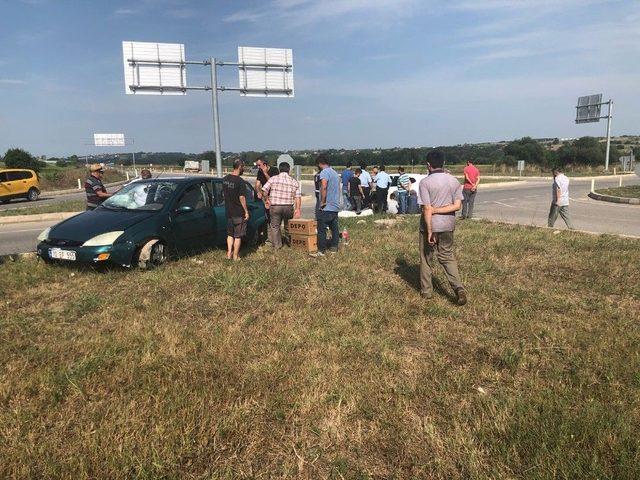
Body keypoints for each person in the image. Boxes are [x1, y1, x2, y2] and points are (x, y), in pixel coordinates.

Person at [419, 150, 467, 306]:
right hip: (448, 224)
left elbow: (427, 209)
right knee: (447, 256)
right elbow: (457, 206)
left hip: (430, 224)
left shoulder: (425, 183)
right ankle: (458, 288)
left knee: (426, 257)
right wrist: (440, 209)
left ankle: (427, 291)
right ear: (443, 163)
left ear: (428, 165)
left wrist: (430, 230)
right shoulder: (453, 181)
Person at [262, 162, 302, 249]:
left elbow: (264, 190)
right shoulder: (294, 181)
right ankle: (291, 243)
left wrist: (267, 200)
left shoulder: (273, 179)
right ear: (289, 170)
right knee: (289, 226)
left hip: (275, 206)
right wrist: (298, 209)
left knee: (275, 226)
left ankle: (277, 246)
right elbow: (298, 197)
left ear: (279, 169)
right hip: (288, 206)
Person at [312, 155, 341, 257]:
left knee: (321, 229)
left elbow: (324, 187)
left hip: (326, 207)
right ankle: (334, 247)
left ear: (320, 164)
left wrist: (322, 202)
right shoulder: (334, 172)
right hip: (335, 206)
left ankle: (321, 251)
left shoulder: (324, 172)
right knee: (334, 228)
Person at [222, 159, 250, 260]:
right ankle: (235, 256)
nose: (244, 169)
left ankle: (229, 253)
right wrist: (246, 211)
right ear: (239, 167)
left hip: (228, 211)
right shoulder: (240, 181)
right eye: (243, 167)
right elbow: (242, 197)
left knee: (230, 234)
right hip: (238, 212)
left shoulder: (225, 179)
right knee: (238, 236)